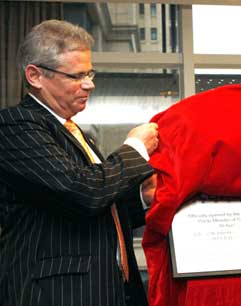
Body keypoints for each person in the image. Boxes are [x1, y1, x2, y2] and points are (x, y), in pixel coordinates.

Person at [0, 20, 158, 306]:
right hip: (59, 295)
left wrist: (142, 198)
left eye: (90, 73)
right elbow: (83, 192)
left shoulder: (75, 133)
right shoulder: (15, 126)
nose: (90, 84)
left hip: (109, 290)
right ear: (35, 76)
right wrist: (135, 148)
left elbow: (102, 212)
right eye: (76, 76)